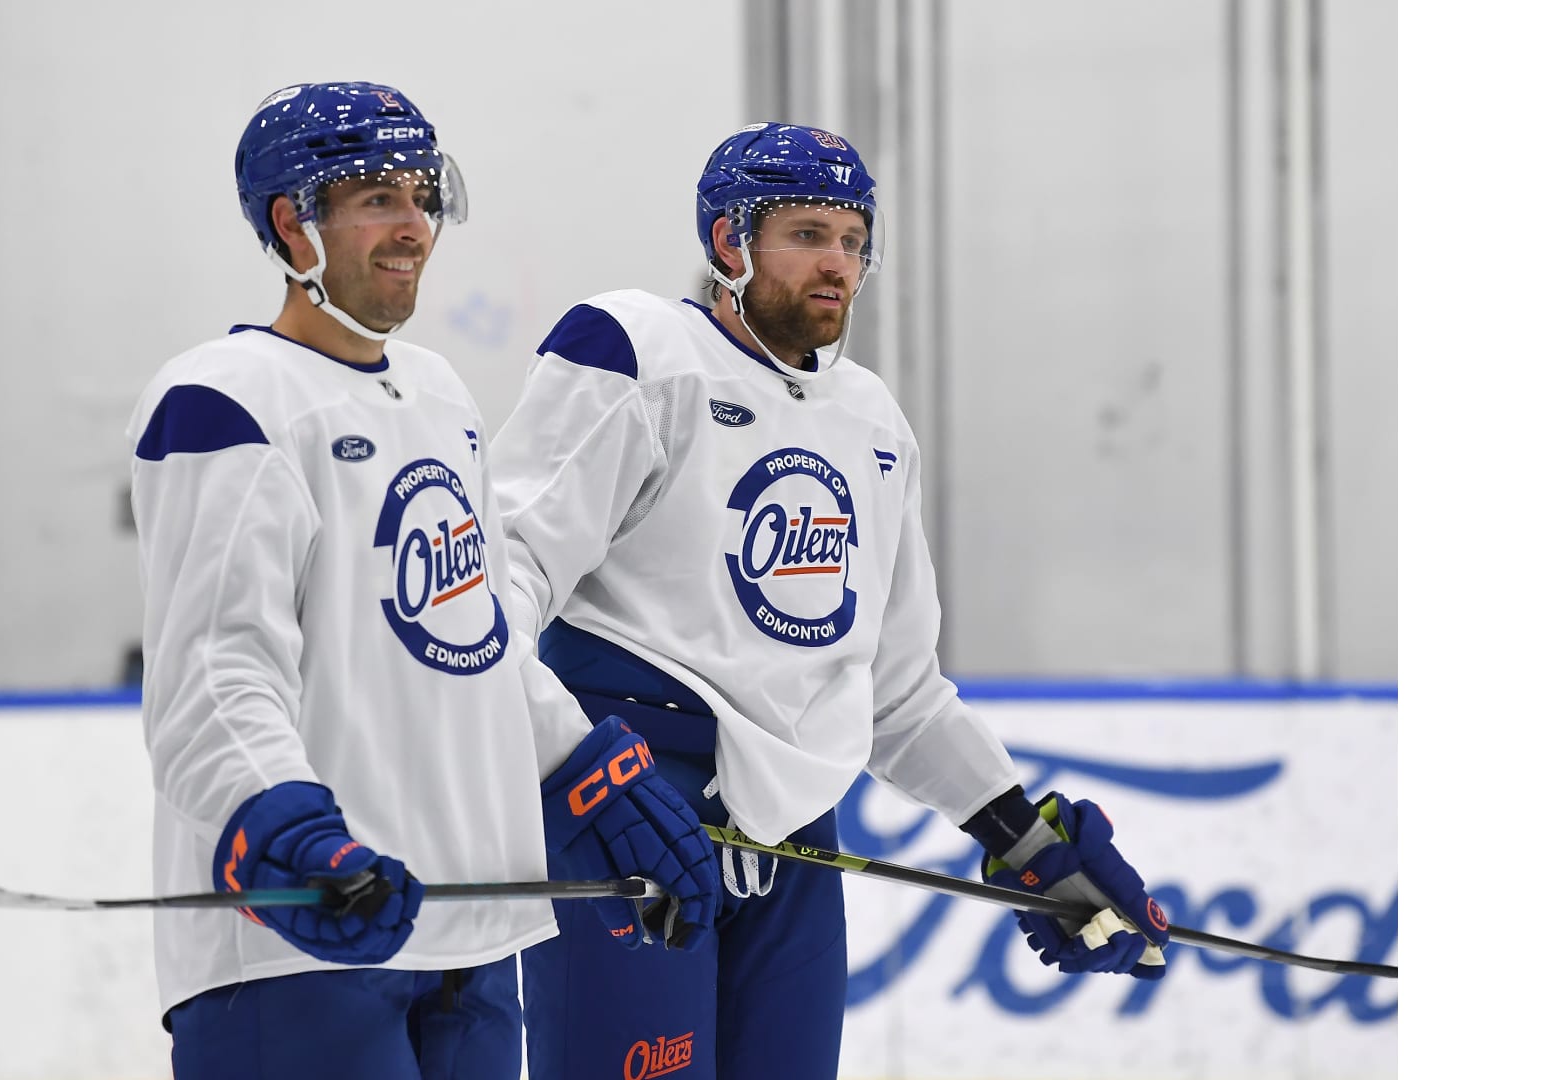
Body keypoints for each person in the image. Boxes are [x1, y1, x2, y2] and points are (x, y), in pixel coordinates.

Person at [491, 122, 1171, 1080]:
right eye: (808, 234)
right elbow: (498, 586)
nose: (838, 264)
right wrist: (578, 768)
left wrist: (1025, 840)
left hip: (796, 838)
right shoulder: (639, 352)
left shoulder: (871, 420)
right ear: (729, 242)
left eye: (853, 241)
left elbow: (897, 693)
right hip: (634, 802)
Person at [125, 82, 720, 1080]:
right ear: (293, 223)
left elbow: (477, 638)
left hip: (471, 941)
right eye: (377, 200)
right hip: (302, 943)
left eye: (421, 197)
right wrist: (284, 830)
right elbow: (212, 677)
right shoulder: (225, 401)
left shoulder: (438, 395)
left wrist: (595, 773)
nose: (413, 227)